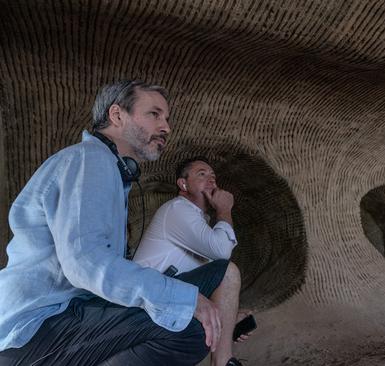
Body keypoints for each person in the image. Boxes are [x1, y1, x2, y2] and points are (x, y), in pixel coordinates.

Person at [0, 80, 242, 366]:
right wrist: (187, 302)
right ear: (117, 115)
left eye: (167, 118)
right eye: (154, 114)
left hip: (72, 315)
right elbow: (85, 263)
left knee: (205, 292)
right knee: (190, 327)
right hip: (39, 327)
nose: (166, 127)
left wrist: (213, 308)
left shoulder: (110, 172)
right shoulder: (90, 160)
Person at [134, 157, 250, 366]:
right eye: (202, 174)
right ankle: (223, 363)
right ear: (183, 184)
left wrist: (230, 319)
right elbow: (222, 252)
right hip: (147, 303)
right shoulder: (178, 209)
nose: (211, 180)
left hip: (168, 300)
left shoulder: (199, 222)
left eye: (213, 177)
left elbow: (209, 289)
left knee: (223, 307)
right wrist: (224, 210)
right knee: (227, 272)